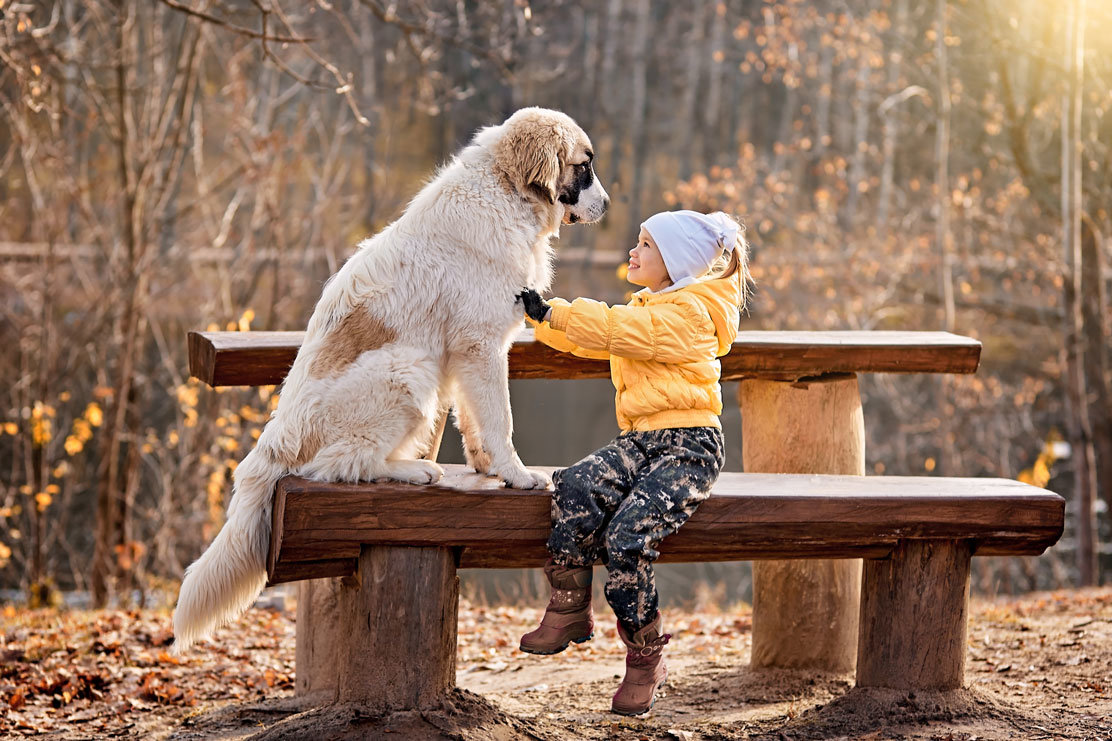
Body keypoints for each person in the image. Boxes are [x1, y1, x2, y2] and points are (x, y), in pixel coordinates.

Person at [515, 210, 750, 716]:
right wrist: (538, 318)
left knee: (627, 537)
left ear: (675, 263)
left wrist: (555, 312)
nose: (632, 251)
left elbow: (616, 328)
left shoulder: (686, 315)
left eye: (645, 245)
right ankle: (569, 606)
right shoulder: (653, 307)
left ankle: (644, 656)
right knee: (574, 485)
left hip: (690, 445)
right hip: (644, 441)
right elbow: (596, 338)